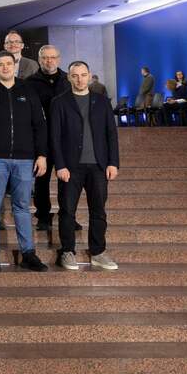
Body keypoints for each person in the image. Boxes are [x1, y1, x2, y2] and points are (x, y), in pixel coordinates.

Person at [0, 51, 49, 273]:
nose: (5, 68)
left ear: (14, 65)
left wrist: (42, 154)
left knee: (22, 207)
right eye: (0, 64)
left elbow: (40, 125)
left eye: (9, 64)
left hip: (25, 160)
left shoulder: (28, 91)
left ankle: (28, 254)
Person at [51, 61, 119, 271]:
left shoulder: (101, 101)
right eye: (75, 75)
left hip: (98, 166)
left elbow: (111, 134)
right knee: (67, 211)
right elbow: (54, 137)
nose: (80, 79)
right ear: (69, 78)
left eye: (83, 75)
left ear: (90, 76)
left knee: (98, 211)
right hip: (70, 167)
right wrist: (60, 165)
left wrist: (113, 163)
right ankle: (68, 251)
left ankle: (98, 252)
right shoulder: (59, 102)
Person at [25, 45, 71, 231]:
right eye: (45, 58)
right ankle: (43, 215)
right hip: (41, 139)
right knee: (41, 180)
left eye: (52, 57)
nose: (49, 61)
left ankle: (67, 215)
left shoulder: (68, 80)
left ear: (58, 59)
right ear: (39, 59)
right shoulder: (29, 83)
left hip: (65, 138)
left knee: (67, 180)